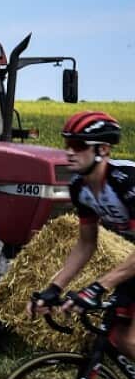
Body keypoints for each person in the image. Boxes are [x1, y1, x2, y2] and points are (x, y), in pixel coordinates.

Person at [29, 111, 135, 354]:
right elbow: (86, 244)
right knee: (118, 337)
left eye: (77, 146)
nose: (69, 152)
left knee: (130, 340)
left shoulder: (127, 181)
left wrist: (97, 287)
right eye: (67, 144)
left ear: (104, 150)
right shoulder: (79, 187)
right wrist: (54, 287)